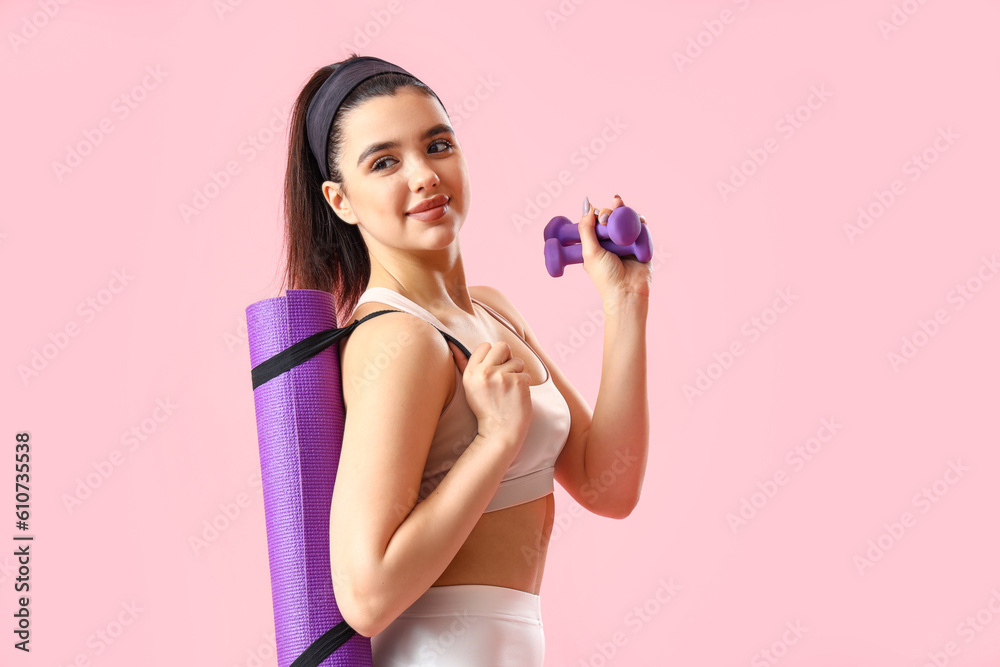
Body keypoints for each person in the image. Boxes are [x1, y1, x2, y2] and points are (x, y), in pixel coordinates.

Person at [279, 52, 651, 666]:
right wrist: (494, 442)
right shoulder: (399, 340)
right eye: (385, 162)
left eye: (438, 144)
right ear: (341, 200)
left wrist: (625, 301)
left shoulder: (492, 311)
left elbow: (607, 483)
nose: (424, 174)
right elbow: (367, 596)